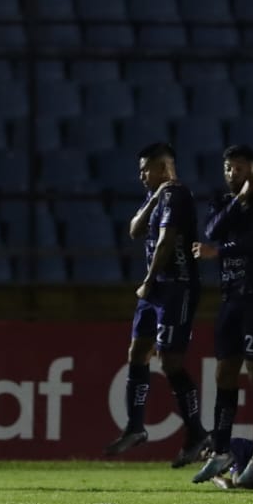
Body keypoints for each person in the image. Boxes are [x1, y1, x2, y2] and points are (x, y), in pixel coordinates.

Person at [104, 142, 210, 468]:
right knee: (137, 353)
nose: (141, 177)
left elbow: (165, 243)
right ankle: (135, 428)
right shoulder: (157, 197)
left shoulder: (176, 196)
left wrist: (149, 281)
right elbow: (135, 230)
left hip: (176, 288)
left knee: (171, 363)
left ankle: (197, 434)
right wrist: (152, 199)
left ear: (163, 168)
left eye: (145, 170)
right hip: (156, 292)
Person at [190, 145, 253, 485]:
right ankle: (221, 450)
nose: (233, 174)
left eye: (240, 169)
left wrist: (220, 251)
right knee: (223, 374)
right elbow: (213, 229)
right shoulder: (223, 201)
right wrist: (238, 199)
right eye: (228, 168)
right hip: (230, 299)